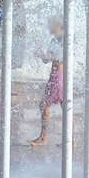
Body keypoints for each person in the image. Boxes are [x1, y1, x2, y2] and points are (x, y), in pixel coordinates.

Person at [30, 16, 64, 147]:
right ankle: (69, 141)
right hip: (55, 76)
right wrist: (41, 54)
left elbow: (59, 59)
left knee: (45, 105)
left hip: (59, 77)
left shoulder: (65, 41)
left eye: (52, 25)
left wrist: (46, 56)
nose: (50, 28)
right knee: (64, 107)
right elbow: (47, 60)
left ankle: (44, 138)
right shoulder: (55, 40)